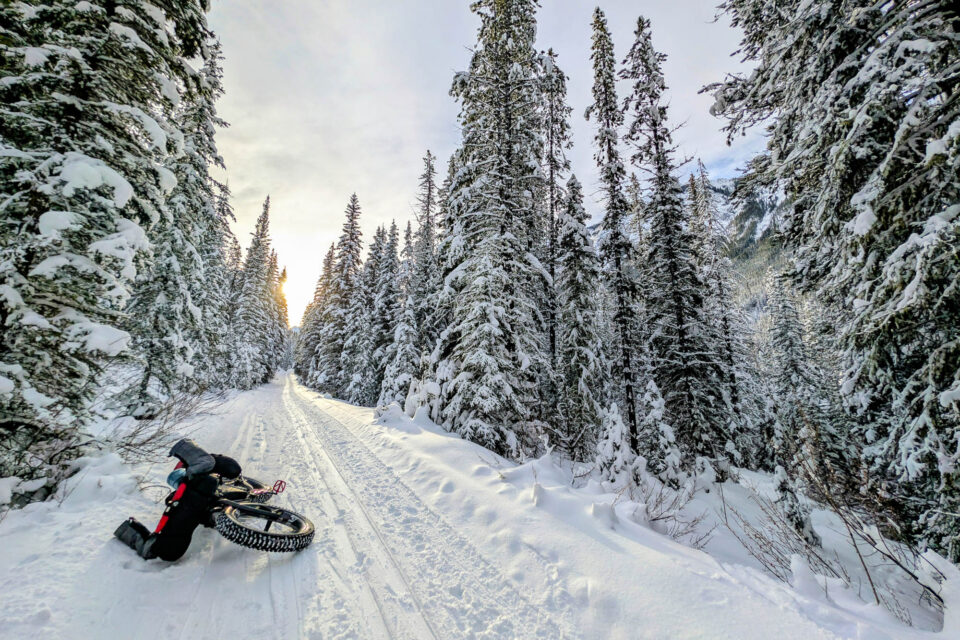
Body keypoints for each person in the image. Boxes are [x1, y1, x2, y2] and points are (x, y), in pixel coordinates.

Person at [114, 439, 241, 561]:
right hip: (206, 493)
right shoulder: (186, 489)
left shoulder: (198, 475)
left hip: (203, 482)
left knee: (204, 483)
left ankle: (186, 449)